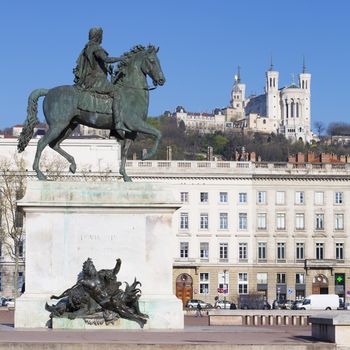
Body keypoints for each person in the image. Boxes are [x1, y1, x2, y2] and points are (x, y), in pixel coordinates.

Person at [73, 27, 129, 135]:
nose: (102, 38)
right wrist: (121, 59)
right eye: (101, 35)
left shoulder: (88, 47)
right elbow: (106, 59)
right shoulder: (95, 48)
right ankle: (117, 124)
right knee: (118, 93)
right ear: (98, 36)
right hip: (96, 80)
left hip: (95, 78)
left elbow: (100, 64)